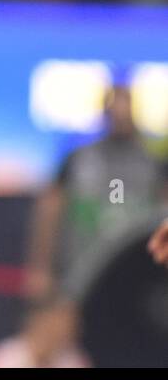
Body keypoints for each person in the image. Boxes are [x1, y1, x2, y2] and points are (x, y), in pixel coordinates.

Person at [26, 83, 168, 298]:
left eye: (125, 106)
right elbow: (50, 212)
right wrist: (41, 268)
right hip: (79, 274)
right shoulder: (77, 161)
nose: (120, 114)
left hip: (135, 277)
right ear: (104, 111)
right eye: (115, 107)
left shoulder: (153, 165)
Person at [0, 291, 91, 368]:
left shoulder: (75, 362)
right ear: (39, 322)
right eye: (58, 324)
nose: (67, 331)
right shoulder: (4, 360)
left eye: (71, 325)